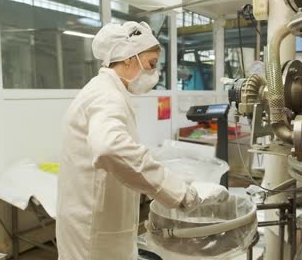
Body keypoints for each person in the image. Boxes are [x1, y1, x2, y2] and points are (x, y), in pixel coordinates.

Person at [56, 21, 229, 260]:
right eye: (151, 64)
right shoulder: (106, 95)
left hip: (99, 219)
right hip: (93, 230)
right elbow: (110, 147)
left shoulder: (108, 91)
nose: (154, 74)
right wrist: (183, 194)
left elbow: (121, 152)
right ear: (128, 58)